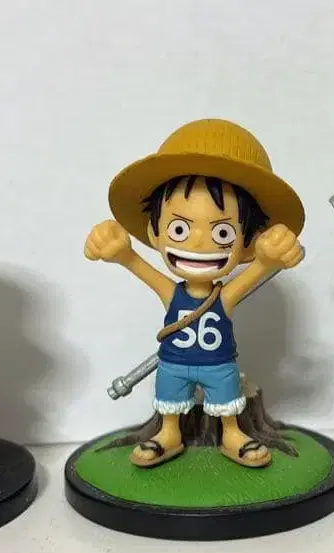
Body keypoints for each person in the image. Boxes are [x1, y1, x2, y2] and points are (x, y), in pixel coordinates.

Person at [84, 118, 305, 467]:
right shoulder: (172, 292)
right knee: (169, 396)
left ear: (247, 244)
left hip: (219, 365)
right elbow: (141, 268)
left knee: (227, 399)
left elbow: (257, 270)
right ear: (154, 233)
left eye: (222, 234)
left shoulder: (223, 296)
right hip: (174, 364)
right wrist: (123, 255)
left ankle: (232, 434)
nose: (199, 242)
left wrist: (268, 260)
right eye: (179, 229)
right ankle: (169, 433)